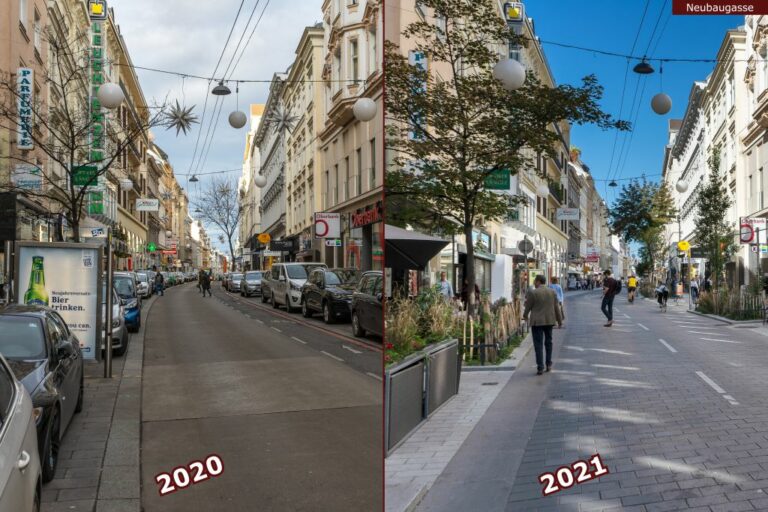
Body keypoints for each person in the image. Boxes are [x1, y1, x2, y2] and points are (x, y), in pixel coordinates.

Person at [524, 274, 563, 375]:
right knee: (549, 342)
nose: (534, 283)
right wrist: (559, 321)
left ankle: (540, 367)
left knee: (538, 344)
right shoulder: (552, 292)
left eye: (535, 281)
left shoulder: (533, 293)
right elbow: (556, 307)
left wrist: (525, 316)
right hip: (549, 321)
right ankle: (549, 364)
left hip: (537, 322)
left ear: (538, 281)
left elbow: (528, 306)